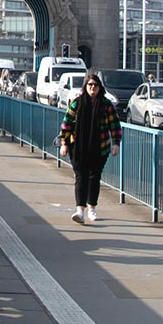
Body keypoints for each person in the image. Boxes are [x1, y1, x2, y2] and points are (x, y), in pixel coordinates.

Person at [58, 69, 121, 224]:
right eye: (90, 85)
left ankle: (92, 208)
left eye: (95, 85)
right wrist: (64, 143)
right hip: (78, 148)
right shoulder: (77, 103)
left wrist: (116, 143)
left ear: (100, 87)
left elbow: (114, 125)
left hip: (100, 147)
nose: (93, 87)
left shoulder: (106, 105)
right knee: (81, 177)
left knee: (94, 177)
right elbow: (66, 124)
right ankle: (80, 211)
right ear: (85, 86)